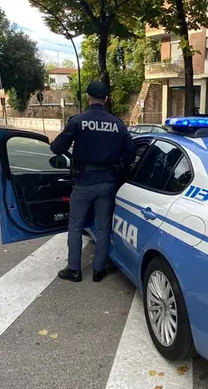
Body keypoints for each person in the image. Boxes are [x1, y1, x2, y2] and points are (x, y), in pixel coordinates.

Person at [50, 80, 135, 283]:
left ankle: (74, 270)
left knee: (76, 226)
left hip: (83, 182)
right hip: (107, 182)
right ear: (106, 99)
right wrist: (118, 168)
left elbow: (57, 148)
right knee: (103, 227)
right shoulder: (118, 124)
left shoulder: (78, 121)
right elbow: (130, 153)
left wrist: (65, 149)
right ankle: (98, 270)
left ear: (88, 97)